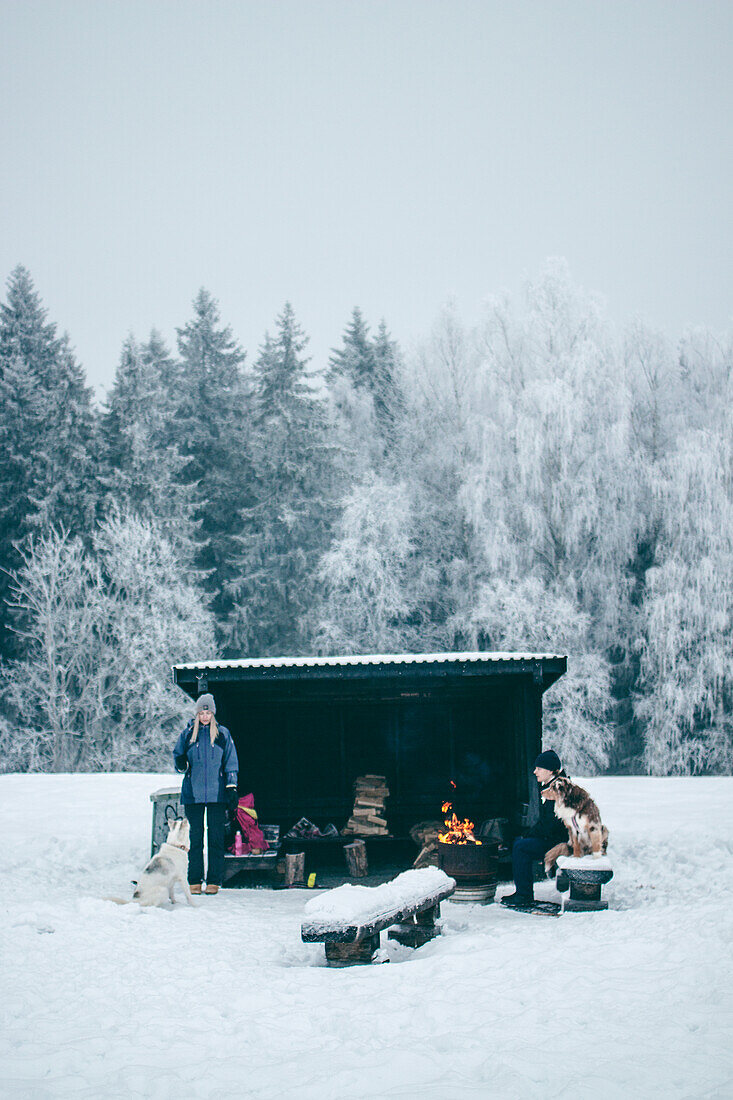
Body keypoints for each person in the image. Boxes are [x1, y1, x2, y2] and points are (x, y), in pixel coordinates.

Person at [173, 694, 239, 895]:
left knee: (216, 837)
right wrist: (181, 763)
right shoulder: (187, 735)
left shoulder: (222, 734)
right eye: (201, 712)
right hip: (193, 794)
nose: (204, 716)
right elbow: (178, 757)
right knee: (195, 837)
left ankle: (214, 880)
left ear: (213, 713)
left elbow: (231, 761)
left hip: (217, 794)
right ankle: (194, 880)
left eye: (207, 712)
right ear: (197, 713)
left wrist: (231, 787)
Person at [501, 749, 568, 908]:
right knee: (519, 842)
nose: (534, 771)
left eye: (539, 768)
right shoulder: (554, 785)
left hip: (561, 842)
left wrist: (529, 835)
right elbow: (547, 823)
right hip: (554, 837)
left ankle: (524, 895)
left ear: (550, 770)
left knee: (521, 847)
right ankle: (522, 892)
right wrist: (528, 834)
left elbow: (551, 825)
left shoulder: (559, 790)